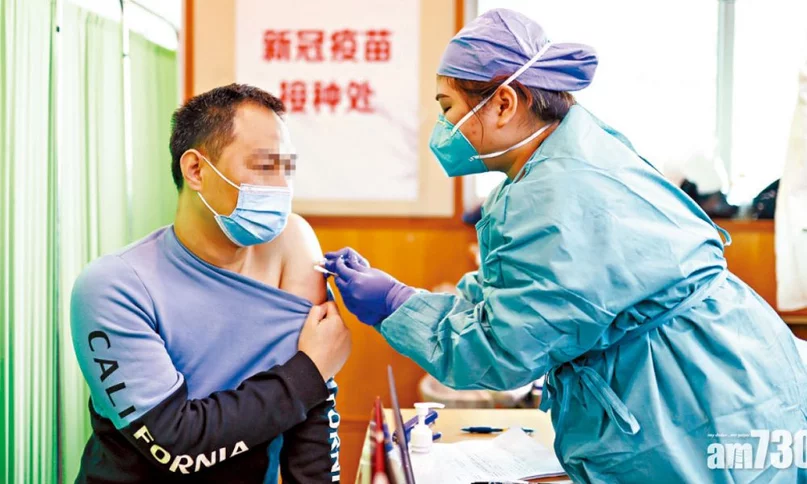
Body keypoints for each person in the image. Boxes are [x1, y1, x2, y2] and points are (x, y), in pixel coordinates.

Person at [323, 9, 807, 483]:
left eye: (448, 108)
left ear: (504, 103)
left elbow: (500, 349)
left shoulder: (553, 194)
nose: (443, 128)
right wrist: (405, 297)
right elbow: (512, 293)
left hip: (694, 398)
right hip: (734, 362)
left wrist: (395, 306)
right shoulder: (569, 155)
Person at [71, 84, 351, 483]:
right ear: (196, 170)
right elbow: (173, 445)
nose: (281, 188)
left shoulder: (291, 243)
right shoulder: (114, 287)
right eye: (263, 166)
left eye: (286, 169)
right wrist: (308, 372)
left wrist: (312, 377)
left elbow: (313, 413)